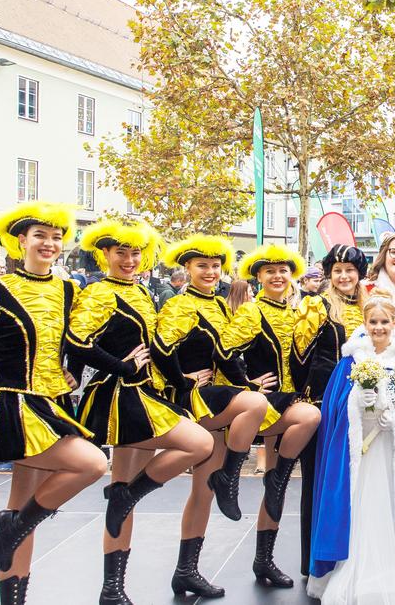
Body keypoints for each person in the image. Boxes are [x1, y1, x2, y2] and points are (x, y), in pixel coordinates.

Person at [0, 201, 109, 605]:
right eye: (40, 236)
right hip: (13, 402)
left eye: (56, 237)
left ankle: (13, 589)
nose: (49, 243)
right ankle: (14, 526)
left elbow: (73, 342)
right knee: (94, 463)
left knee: (20, 505)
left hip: (51, 402)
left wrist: (71, 370)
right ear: (20, 240)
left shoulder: (67, 289)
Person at [65, 219, 213, 604]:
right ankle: (126, 502)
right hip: (121, 396)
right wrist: (122, 366)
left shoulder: (142, 291)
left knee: (123, 487)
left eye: (134, 253)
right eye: (121, 253)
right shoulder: (99, 291)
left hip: (143, 393)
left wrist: (182, 380)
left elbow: (157, 346)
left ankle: (112, 587)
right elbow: (77, 342)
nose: (129, 260)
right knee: (198, 444)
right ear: (105, 254)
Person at [151, 234, 270, 598]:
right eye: (202, 265)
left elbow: (226, 356)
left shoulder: (220, 305)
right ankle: (229, 477)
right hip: (197, 400)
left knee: (201, 490)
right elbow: (161, 349)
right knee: (253, 408)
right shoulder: (179, 304)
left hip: (218, 398)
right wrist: (181, 381)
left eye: (215, 266)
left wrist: (244, 382)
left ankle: (186, 570)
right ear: (186, 268)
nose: (210, 271)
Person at [308, 292, 395, 604]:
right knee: (360, 504)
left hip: (393, 451)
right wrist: (360, 404)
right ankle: (350, 567)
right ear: (364, 324)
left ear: (394, 324)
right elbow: (336, 409)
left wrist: (393, 419)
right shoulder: (350, 362)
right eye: (373, 322)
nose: (379, 327)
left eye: (384, 321)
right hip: (361, 454)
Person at [219, 243, 322, 588]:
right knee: (310, 420)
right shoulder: (251, 312)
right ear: (258, 277)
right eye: (270, 272)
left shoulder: (295, 311)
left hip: (291, 401)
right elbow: (224, 349)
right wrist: (246, 384)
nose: (278, 277)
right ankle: (272, 475)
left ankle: (264, 560)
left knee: (274, 494)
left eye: (283, 271)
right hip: (275, 406)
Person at [290, 243, 367, 576]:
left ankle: (351, 558)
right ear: (329, 274)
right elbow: (298, 356)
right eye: (338, 270)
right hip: (322, 406)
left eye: (350, 270)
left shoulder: (368, 308)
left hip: (363, 409)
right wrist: (302, 397)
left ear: (359, 274)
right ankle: (314, 561)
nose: (344, 276)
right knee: (317, 481)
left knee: (354, 482)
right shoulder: (316, 305)